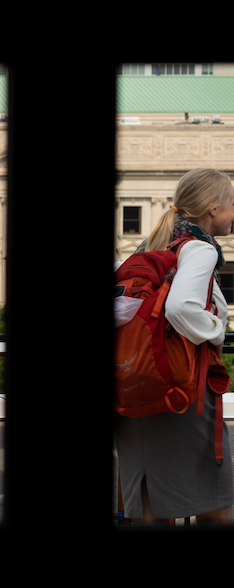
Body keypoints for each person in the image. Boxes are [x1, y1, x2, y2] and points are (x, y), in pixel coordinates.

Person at [117, 168, 234, 524]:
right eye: (232, 204)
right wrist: (216, 331)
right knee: (216, 504)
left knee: (150, 506)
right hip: (182, 388)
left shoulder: (153, 243)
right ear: (213, 208)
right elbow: (181, 307)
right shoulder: (199, 248)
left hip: (137, 383)